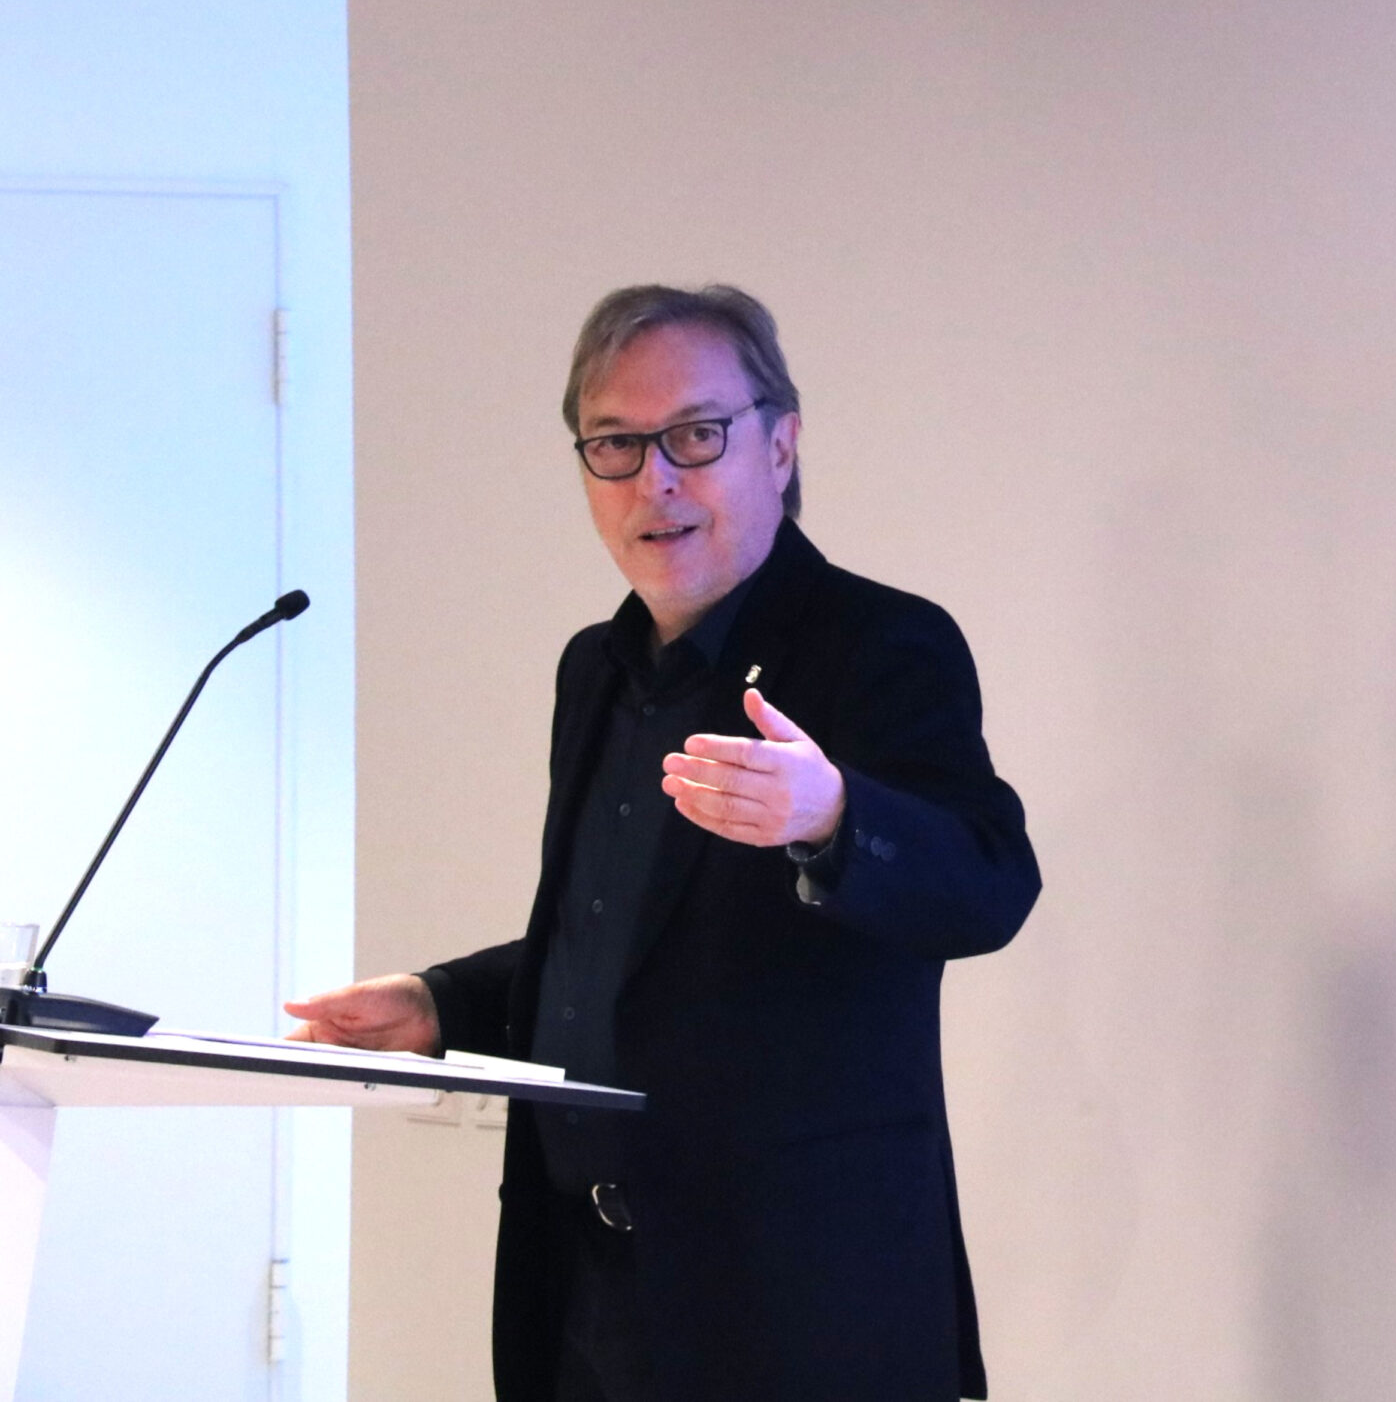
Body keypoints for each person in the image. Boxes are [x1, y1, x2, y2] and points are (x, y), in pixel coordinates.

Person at [287, 284, 1039, 1401]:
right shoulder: (594, 670)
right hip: (586, 1293)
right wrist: (444, 1003)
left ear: (779, 444)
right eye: (616, 444)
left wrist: (835, 818)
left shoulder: (882, 643)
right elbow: (624, 947)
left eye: (695, 434)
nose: (656, 480)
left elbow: (989, 886)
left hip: (798, 1311)